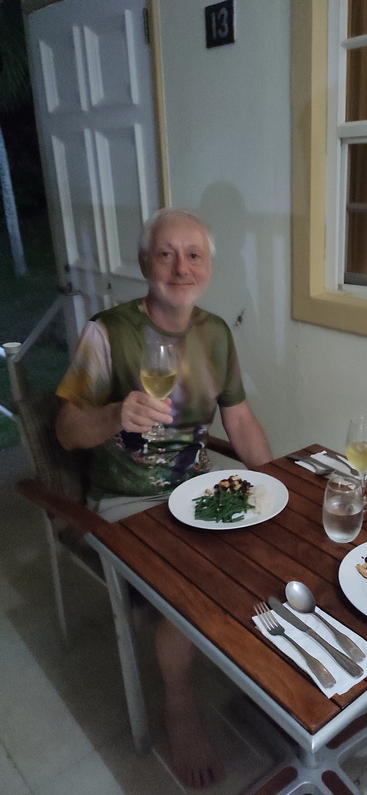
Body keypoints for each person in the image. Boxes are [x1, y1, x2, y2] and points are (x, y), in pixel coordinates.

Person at [55, 207, 272, 789]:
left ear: (209, 267)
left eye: (193, 255)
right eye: (166, 254)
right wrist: (112, 415)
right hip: (128, 500)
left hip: (198, 491)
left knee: (274, 554)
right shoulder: (107, 332)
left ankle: (267, 681)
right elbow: (66, 431)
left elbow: (240, 419)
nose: (181, 268)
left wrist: (278, 485)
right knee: (193, 587)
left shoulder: (216, 333)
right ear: (144, 262)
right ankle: (180, 706)